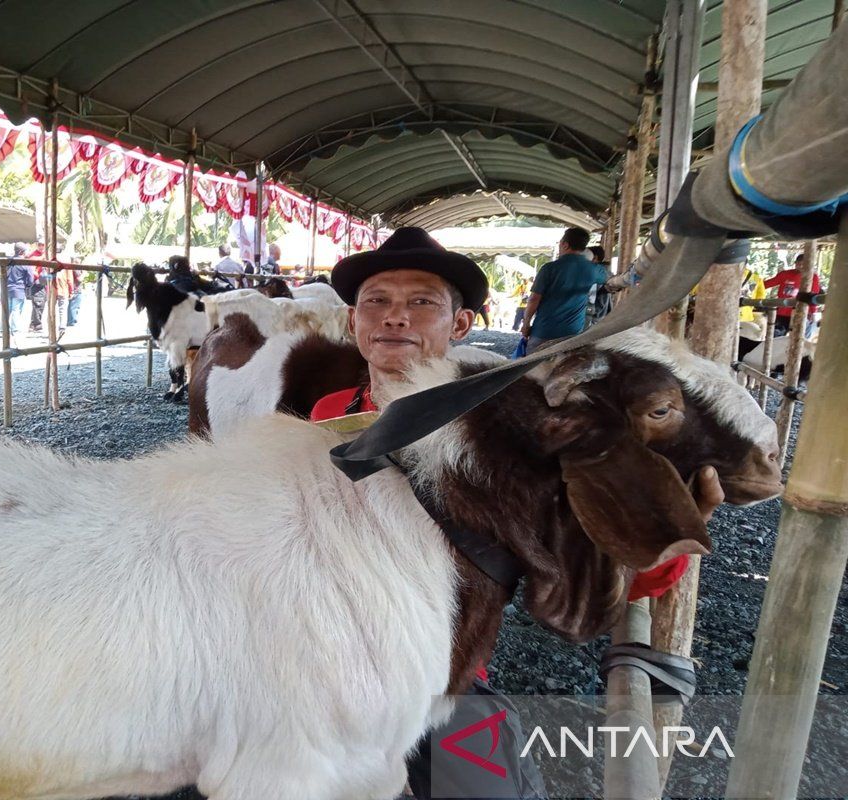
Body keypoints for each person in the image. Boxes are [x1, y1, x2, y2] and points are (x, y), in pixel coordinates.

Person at [310, 225, 726, 800]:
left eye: (421, 302)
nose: (394, 317)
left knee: (487, 791)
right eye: (376, 301)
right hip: (317, 653)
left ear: (460, 325)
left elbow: (601, 565)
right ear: (354, 321)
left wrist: (663, 542)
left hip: (441, 672)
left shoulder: (505, 432)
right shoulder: (328, 415)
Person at [519, 227, 607, 352]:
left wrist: (526, 324)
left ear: (565, 245)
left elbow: (534, 299)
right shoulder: (594, 270)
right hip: (572, 335)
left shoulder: (549, 268)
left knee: (532, 369)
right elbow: (610, 279)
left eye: (560, 243)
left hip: (543, 332)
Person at [764, 253, 822, 336]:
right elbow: (765, 285)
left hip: (802, 312)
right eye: (799, 264)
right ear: (795, 263)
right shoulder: (785, 274)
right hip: (783, 312)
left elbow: (814, 296)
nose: (801, 266)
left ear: (809, 265)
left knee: (800, 338)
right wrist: (757, 285)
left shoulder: (813, 277)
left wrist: (813, 313)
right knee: (776, 336)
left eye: (804, 265)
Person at [6, 246, 35, 334]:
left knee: (7, 309)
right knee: (16, 309)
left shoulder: (8, 261)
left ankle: (3, 328)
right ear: (22, 251)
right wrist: (28, 285)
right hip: (19, 289)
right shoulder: (25, 263)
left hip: (7, 287)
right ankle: (14, 329)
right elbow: (31, 279)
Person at [25, 241, 48, 333]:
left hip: (45, 283)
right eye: (40, 244)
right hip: (37, 283)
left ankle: (34, 325)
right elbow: (31, 270)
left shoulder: (46, 255)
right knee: (38, 303)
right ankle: (36, 325)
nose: (41, 246)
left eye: (43, 244)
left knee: (40, 304)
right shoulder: (33, 255)